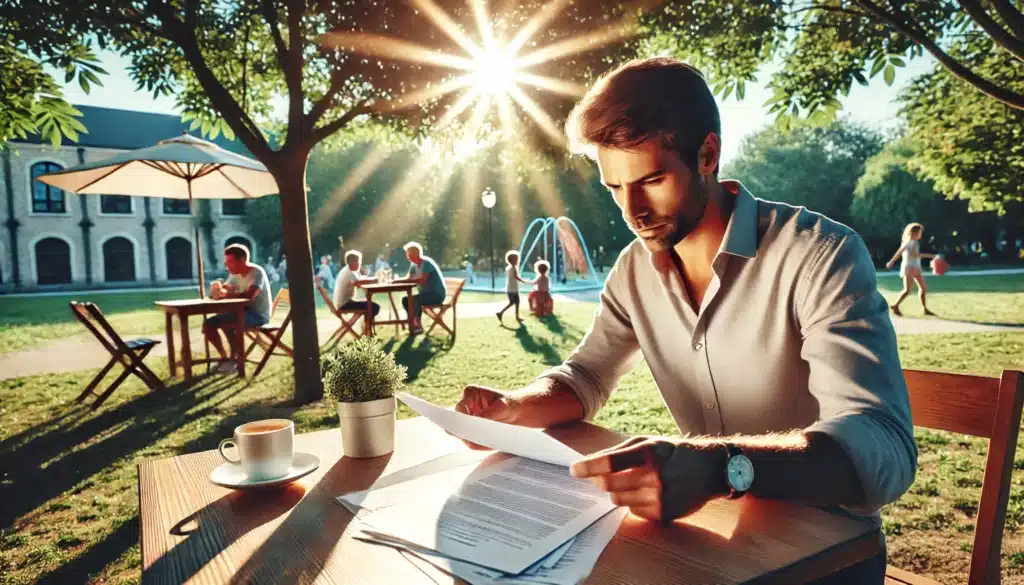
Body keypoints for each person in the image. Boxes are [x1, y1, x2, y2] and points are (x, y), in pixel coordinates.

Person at [453, 57, 915, 584]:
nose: (633, 211)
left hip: (828, 556)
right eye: (614, 188)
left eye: (651, 179)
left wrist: (721, 467)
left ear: (708, 155)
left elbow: (885, 451)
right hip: (713, 543)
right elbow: (585, 375)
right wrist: (515, 406)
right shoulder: (633, 271)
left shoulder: (819, 254)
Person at [203, 244, 272, 374]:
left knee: (222, 322)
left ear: (242, 261)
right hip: (240, 313)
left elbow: (249, 296)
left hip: (258, 315)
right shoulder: (235, 274)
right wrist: (218, 288)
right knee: (210, 324)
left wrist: (226, 294)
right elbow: (226, 288)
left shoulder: (256, 272)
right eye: (226, 262)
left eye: (230, 261)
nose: (227, 265)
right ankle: (225, 358)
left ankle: (234, 360)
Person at [393, 242, 446, 334]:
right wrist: (397, 280)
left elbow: (422, 280)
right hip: (425, 295)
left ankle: (416, 325)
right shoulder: (413, 265)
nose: (407, 255)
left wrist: (401, 281)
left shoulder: (426, 263)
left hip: (436, 295)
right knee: (406, 300)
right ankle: (413, 323)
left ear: (415, 253)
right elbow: (408, 278)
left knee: (415, 300)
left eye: (408, 253)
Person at [886, 222, 937, 317]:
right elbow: (915, 255)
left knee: (923, 288)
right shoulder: (911, 242)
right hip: (909, 268)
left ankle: (924, 309)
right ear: (914, 233)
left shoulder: (908, 242)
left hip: (915, 267)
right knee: (907, 290)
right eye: (919, 232)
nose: (920, 234)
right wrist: (931, 256)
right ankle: (895, 305)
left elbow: (899, 253)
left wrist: (891, 261)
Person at [334, 250, 380, 318]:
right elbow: (359, 283)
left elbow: (360, 280)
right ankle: (367, 326)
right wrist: (374, 280)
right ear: (351, 262)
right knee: (374, 307)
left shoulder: (348, 270)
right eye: (358, 261)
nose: (360, 264)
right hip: (344, 305)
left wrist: (372, 279)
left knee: (370, 306)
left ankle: (366, 325)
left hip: (344, 303)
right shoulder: (348, 273)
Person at [496, 250, 527, 324]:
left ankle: (517, 317)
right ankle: (500, 313)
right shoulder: (513, 267)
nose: (517, 260)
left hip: (511, 288)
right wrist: (523, 281)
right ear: (512, 260)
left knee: (516, 302)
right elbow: (516, 276)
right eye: (516, 259)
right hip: (512, 289)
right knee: (513, 302)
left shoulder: (509, 267)